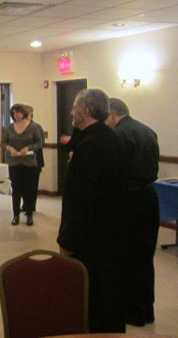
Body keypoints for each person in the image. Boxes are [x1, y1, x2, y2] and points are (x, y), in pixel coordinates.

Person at [57, 89, 125, 333]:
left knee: (92, 297)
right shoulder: (110, 136)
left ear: (85, 111)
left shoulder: (89, 148)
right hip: (112, 230)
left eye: (74, 108)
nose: (71, 112)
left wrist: (67, 240)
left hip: (91, 236)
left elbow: (80, 201)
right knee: (109, 293)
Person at [106, 98, 160, 326]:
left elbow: (115, 172)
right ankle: (146, 309)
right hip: (149, 196)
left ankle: (132, 312)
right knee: (144, 257)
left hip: (128, 199)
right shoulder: (148, 131)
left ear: (111, 114)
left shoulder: (118, 135)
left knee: (126, 255)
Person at [1, 103, 42, 226]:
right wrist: (9, 148)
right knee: (16, 189)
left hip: (29, 162)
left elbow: (39, 143)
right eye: (13, 113)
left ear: (23, 113)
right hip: (14, 162)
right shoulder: (10, 127)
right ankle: (15, 215)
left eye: (17, 112)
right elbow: (3, 143)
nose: (15, 114)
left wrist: (28, 148)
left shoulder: (33, 127)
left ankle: (29, 215)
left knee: (28, 189)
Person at [23, 105, 45, 213]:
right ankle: (25, 205)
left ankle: (31, 207)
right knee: (24, 184)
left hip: (35, 161)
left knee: (32, 184)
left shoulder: (37, 127)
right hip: (22, 161)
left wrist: (28, 148)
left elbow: (41, 143)